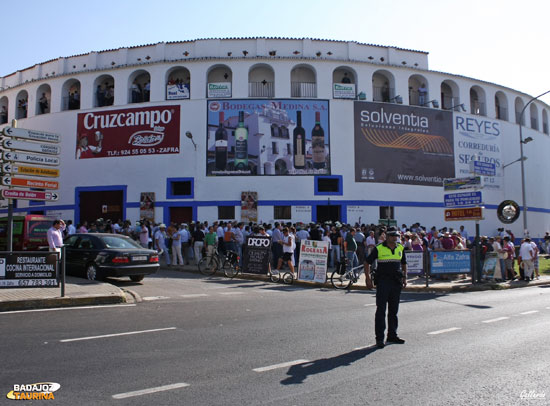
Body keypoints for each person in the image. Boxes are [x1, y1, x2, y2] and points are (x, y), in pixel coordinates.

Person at [364, 226, 407, 349]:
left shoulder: (400, 248)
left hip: (396, 282)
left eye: (396, 236)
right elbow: (367, 262)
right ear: (387, 236)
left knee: (394, 311)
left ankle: (392, 335)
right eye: (393, 235)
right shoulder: (379, 248)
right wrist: (367, 279)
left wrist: (405, 277)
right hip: (383, 282)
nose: (395, 238)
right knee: (381, 311)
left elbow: (404, 263)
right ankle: (379, 338)